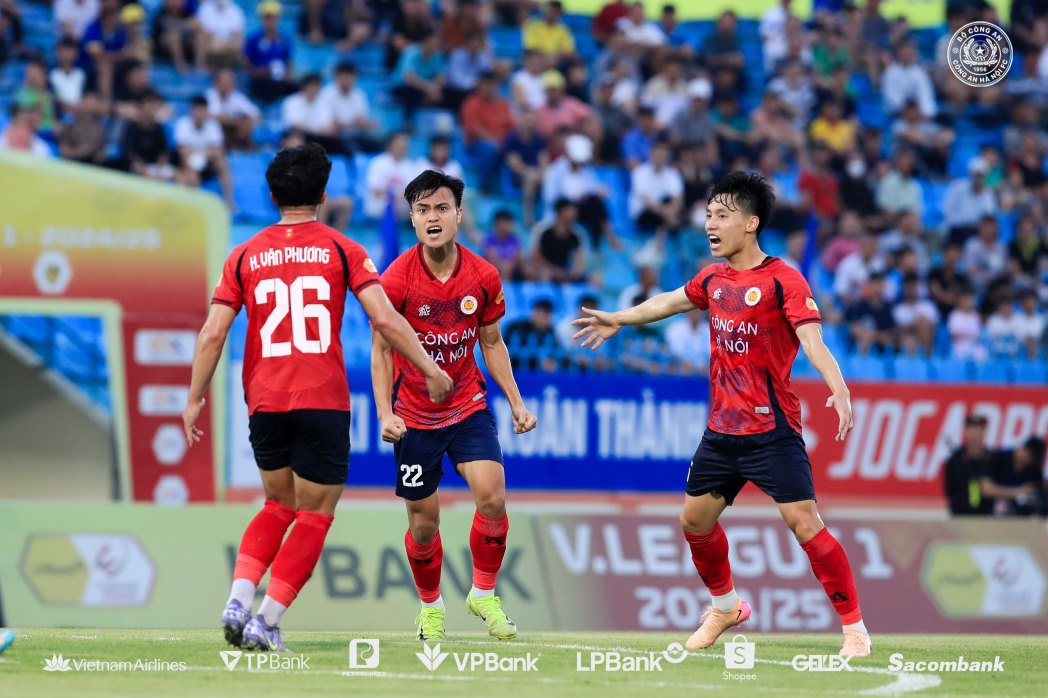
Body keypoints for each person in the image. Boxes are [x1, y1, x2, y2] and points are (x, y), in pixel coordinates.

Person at [572, 171, 871, 658]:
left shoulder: (784, 280)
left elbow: (812, 340)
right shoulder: (712, 277)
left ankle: (855, 629)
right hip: (721, 432)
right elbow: (669, 301)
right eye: (708, 214)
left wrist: (838, 388)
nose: (710, 223)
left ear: (751, 223)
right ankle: (726, 606)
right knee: (694, 521)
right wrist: (619, 319)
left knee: (805, 524)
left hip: (771, 431)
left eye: (722, 215)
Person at [181, 144, 453, 651]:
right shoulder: (341, 249)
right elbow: (386, 319)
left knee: (277, 502)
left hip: (263, 398)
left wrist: (194, 397)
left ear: (270, 195)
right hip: (321, 398)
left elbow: (213, 334)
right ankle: (266, 620)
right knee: (316, 512)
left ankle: (239, 600)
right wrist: (429, 367)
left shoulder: (242, 255)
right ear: (325, 194)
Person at [371, 169, 538, 643]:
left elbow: (492, 343)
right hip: (414, 418)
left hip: (467, 405)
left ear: (459, 214)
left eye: (441, 208)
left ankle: (483, 594)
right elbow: (381, 352)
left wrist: (516, 403)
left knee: (493, 495)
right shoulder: (397, 278)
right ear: (412, 218)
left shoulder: (483, 275)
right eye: (423, 210)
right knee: (424, 526)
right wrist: (385, 413)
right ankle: (430, 608)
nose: (433, 217)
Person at [942, 413, 996, 516]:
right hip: (961, 515)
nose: (976, 433)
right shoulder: (955, 460)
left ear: (984, 432)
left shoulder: (992, 459)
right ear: (966, 432)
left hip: (985, 516)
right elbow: (949, 489)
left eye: (979, 429)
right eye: (972, 429)